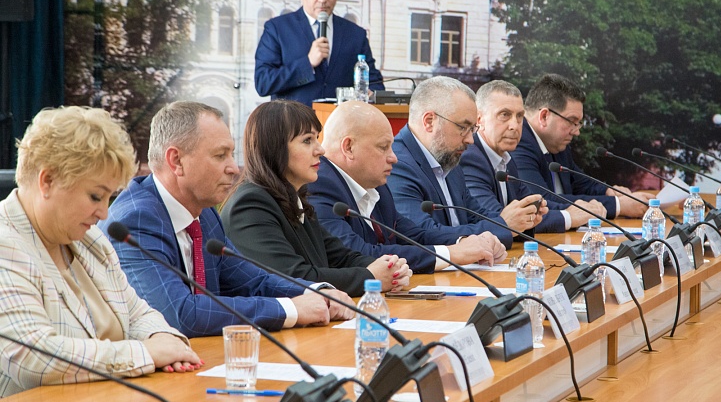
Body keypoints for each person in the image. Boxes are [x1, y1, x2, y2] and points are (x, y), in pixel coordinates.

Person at [101, 102, 350, 338]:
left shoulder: (205, 213)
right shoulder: (136, 220)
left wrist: (317, 292)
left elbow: (254, 280)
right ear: (176, 161)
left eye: (232, 154)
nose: (233, 168)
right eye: (220, 155)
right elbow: (179, 315)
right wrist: (291, 309)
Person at [0, 106, 201, 398]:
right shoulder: (5, 243)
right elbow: (33, 357)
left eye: (109, 197)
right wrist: (145, 353)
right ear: (47, 181)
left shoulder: (89, 238)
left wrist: (163, 338)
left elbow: (136, 312)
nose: (104, 213)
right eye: (95, 196)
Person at [221, 100, 411, 297]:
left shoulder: (294, 199)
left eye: (316, 139)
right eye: (307, 140)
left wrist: (389, 269)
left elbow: (340, 257)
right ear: (275, 147)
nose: (320, 150)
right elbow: (293, 278)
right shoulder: (250, 205)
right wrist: (371, 278)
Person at [308, 101, 507, 271]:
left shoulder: (376, 186)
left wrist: (465, 242)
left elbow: (415, 235)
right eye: (383, 147)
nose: (393, 157)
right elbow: (357, 254)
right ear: (349, 147)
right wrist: (452, 254)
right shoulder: (318, 185)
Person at [387, 76, 543, 246]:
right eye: (463, 127)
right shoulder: (397, 164)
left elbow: (475, 215)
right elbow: (422, 233)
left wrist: (521, 221)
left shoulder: (447, 156)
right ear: (429, 122)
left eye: (472, 129)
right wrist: (503, 225)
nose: (470, 139)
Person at [510, 73, 653, 231]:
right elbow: (541, 203)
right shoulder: (518, 143)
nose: (577, 132)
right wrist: (618, 205)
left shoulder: (556, 143)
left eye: (579, 123)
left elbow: (582, 183)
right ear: (544, 116)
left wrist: (610, 192)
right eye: (572, 122)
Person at [254, 0, 384, 105]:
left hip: (341, 118)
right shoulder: (277, 29)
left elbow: (375, 83)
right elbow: (263, 83)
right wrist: (307, 63)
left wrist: (371, 94)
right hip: (294, 118)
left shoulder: (355, 34)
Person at [460, 81, 551, 234]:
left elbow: (530, 206)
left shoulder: (507, 159)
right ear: (479, 119)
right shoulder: (470, 158)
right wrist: (568, 217)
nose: (515, 125)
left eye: (519, 116)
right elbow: (494, 219)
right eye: (504, 115)